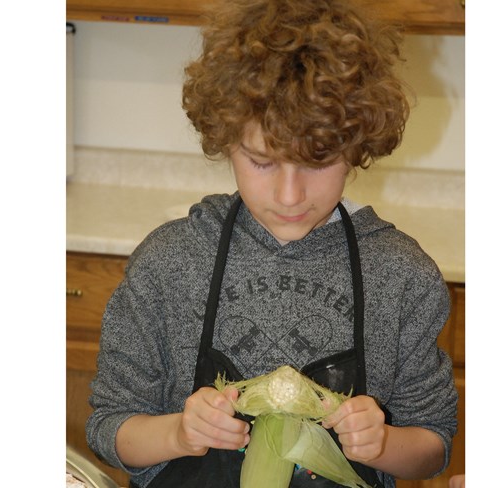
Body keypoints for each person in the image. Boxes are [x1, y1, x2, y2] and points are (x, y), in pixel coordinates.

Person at [85, 0, 458, 487]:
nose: (289, 195)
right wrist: (180, 431)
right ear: (225, 140)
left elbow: (434, 445)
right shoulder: (170, 262)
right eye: (262, 161)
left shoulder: (402, 276)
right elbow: (109, 427)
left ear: (358, 145)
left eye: (318, 161)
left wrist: (385, 443)